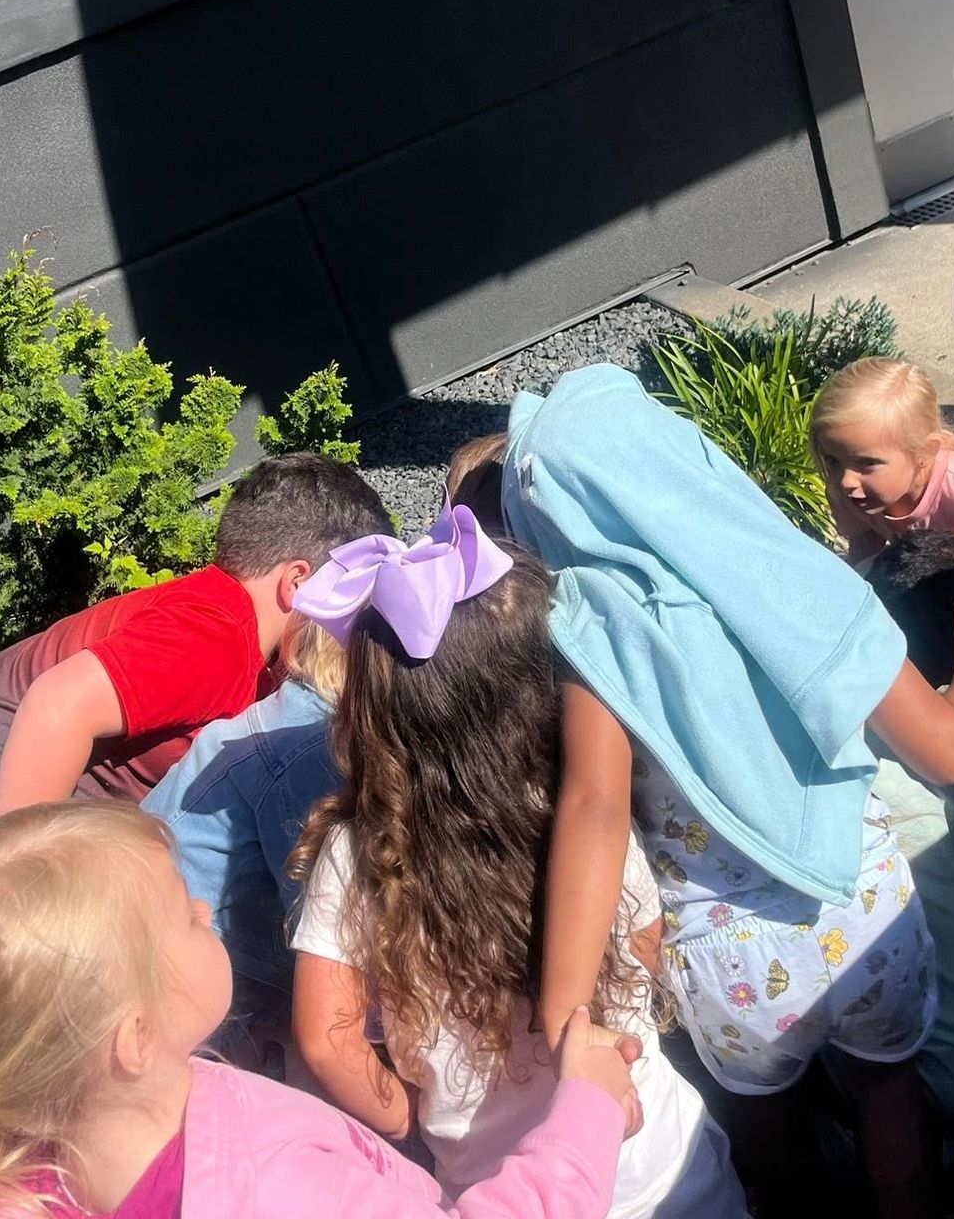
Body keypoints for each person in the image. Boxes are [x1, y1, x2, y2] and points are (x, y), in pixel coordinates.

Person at [483, 365, 954, 1218]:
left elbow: (594, 809)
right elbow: (951, 752)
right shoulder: (795, 576)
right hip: (861, 905)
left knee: (768, 1127)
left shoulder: (591, 633)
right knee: (889, 1090)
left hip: (728, 959)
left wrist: (567, 1010)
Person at [0, 800, 641, 1219]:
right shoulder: (277, 1190)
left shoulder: (12, 1159)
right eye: (183, 915)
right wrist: (585, 1112)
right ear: (135, 1037)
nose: (204, 910)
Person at [285, 510, 743, 1218]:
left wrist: (409, 1119)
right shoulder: (584, 813)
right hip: (660, 1167)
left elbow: (325, 1038)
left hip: (506, 1188)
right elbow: (647, 944)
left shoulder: (358, 849)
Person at [0, 454, 391, 911]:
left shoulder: (224, 621)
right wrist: (27, 896)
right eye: (351, 599)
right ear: (297, 582)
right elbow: (57, 705)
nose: (353, 625)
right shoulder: (217, 635)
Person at [140, 617, 346, 1058]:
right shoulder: (313, 747)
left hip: (173, 944)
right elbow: (330, 926)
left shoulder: (294, 714)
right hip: (191, 982)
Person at [812, 357, 954, 567]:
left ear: (925, 452)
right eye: (833, 461)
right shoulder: (850, 494)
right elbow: (865, 541)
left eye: (867, 463)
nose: (846, 481)